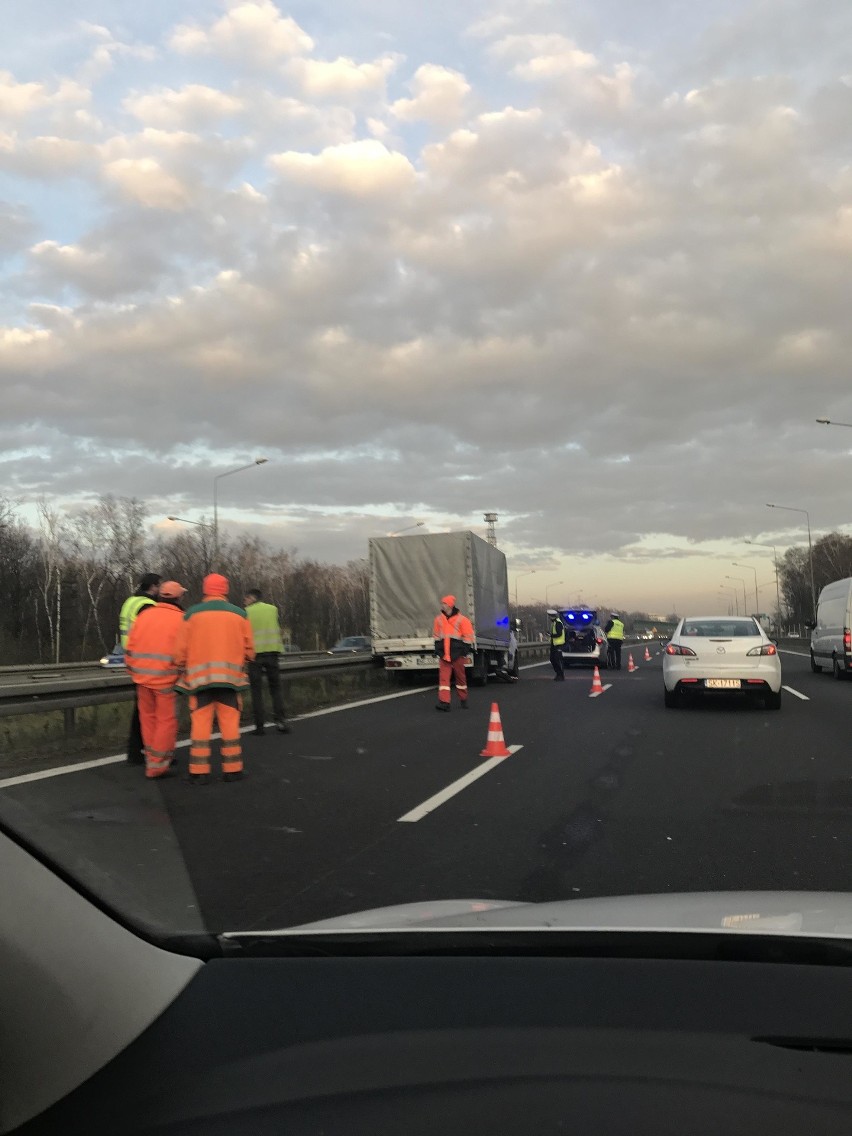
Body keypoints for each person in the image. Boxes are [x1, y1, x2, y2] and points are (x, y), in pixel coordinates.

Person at [173, 573, 255, 784]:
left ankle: (199, 773)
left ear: (205, 590)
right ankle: (233, 770)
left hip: (199, 682)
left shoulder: (191, 614)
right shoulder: (239, 614)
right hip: (230, 681)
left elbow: (180, 652)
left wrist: (181, 664)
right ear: (225, 590)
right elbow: (250, 651)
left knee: (200, 725)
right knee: (229, 724)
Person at [125, 581, 187, 779]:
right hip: (167, 679)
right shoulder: (182, 619)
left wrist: (134, 671)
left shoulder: (144, 616)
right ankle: (157, 765)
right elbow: (186, 652)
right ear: (178, 598)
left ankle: (152, 757)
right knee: (166, 721)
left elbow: (130, 646)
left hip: (142, 679)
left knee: (148, 719)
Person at [118, 572, 161, 765]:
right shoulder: (148, 605)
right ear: (152, 586)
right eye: (159, 586)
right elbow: (153, 632)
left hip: (133, 659)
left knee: (142, 709)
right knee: (150, 710)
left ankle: (135, 752)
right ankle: (152, 753)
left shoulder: (130, 602)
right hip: (148, 661)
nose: (160, 589)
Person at [243, 588, 289, 735]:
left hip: (254, 655)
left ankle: (259, 727)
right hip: (272, 652)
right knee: (275, 689)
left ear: (252, 598)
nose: (245, 601)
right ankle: (281, 721)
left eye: (246, 598)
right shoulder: (273, 609)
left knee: (256, 691)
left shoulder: (245, 612)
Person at [433, 594, 474, 711]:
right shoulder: (438, 620)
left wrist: (464, 651)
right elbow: (436, 636)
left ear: (450, 604)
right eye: (442, 603)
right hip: (444, 655)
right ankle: (444, 703)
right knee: (444, 679)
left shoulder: (463, 620)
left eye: (445, 603)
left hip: (457, 654)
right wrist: (438, 649)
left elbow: (468, 637)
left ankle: (463, 698)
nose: (442, 605)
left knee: (460, 678)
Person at [547, 608, 565, 680]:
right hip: (554, 644)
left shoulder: (558, 623)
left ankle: (561, 675)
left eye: (550, 616)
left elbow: (559, 634)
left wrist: (551, 635)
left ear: (552, 616)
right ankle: (558, 674)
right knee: (552, 659)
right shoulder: (554, 623)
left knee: (557, 660)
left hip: (558, 645)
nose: (549, 618)